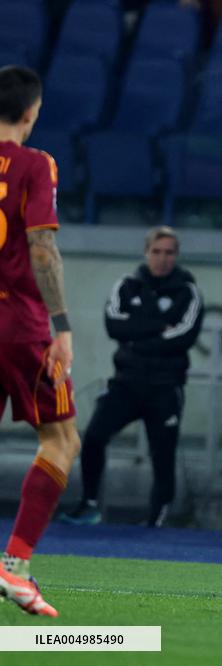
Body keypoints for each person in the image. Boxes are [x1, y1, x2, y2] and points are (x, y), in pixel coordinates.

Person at [58, 226, 203, 528]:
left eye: (169, 253)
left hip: (165, 386)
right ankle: (89, 503)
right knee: (94, 436)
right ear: (146, 252)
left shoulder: (187, 291)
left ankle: (156, 519)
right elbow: (114, 325)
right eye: (157, 251)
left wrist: (138, 336)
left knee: (162, 454)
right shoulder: (127, 285)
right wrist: (158, 328)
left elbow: (182, 336)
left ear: (176, 256)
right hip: (126, 382)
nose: (163, 259)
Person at [0, 65, 76, 617]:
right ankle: (16, 564)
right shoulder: (34, 164)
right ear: (32, 111)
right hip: (20, 325)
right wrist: (63, 325)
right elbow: (42, 249)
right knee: (60, 439)